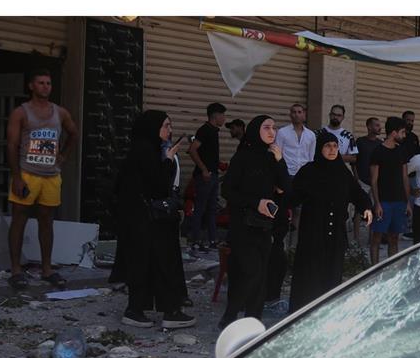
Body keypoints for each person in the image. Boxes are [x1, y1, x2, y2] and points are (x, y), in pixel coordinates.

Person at [114, 110, 193, 329]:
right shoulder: (146, 152)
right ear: (153, 128)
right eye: (166, 126)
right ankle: (165, 311)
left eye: (170, 125)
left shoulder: (143, 149)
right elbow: (158, 186)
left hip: (144, 221)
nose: (170, 130)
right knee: (161, 264)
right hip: (148, 221)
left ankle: (140, 309)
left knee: (147, 265)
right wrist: (167, 162)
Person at [5, 67, 79, 291]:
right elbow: (11, 145)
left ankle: (47, 269)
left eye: (48, 83)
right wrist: (17, 176)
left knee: (47, 221)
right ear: (31, 86)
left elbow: (74, 133)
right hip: (27, 173)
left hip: (51, 175)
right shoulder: (21, 112)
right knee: (19, 219)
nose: (45, 87)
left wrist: (64, 156)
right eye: (41, 83)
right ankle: (16, 270)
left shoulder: (60, 112)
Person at [287, 131, 373, 313]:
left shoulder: (343, 172)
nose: (332, 150)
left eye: (335, 146)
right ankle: (303, 312)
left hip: (336, 234)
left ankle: (326, 312)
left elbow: (357, 193)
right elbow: (292, 197)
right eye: (328, 146)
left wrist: (366, 207)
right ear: (320, 148)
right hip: (313, 233)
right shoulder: (309, 171)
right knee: (310, 274)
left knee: (332, 273)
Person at [219, 115, 290, 329]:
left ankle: (253, 319)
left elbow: (286, 187)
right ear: (255, 130)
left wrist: (280, 161)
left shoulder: (271, 158)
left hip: (265, 226)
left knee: (261, 275)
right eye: (266, 127)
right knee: (249, 271)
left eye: (274, 128)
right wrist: (255, 202)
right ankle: (230, 316)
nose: (272, 131)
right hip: (242, 226)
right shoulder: (242, 158)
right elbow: (227, 191)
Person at [269, 103, 315, 307]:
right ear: (290, 115)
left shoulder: (311, 135)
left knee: (301, 214)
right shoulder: (283, 133)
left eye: (300, 112)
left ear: (304, 114)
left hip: (304, 177)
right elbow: (276, 153)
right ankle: (283, 252)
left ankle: (295, 251)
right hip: (286, 176)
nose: (297, 115)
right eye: (294, 112)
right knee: (284, 215)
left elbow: (312, 158)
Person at [184, 102, 226, 255]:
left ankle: (212, 240)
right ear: (216, 115)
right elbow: (192, 150)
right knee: (200, 209)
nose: (224, 118)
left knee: (211, 209)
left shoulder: (214, 131)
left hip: (213, 175)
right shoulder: (205, 130)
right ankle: (195, 240)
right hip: (205, 177)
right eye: (223, 115)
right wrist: (204, 170)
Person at [369, 116, 411, 263]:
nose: (404, 135)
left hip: (399, 201)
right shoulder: (378, 151)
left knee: (394, 238)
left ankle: (392, 270)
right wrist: (377, 203)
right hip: (384, 202)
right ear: (394, 133)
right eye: (402, 132)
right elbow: (373, 180)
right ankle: (373, 271)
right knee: (377, 237)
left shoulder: (402, 151)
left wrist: (407, 202)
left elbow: (405, 178)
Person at [355, 116, 383, 188]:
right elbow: (354, 161)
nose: (380, 128)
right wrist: (357, 179)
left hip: (377, 183)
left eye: (379, 125)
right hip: (362, 182)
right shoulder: (360, 141)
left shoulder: (381, 143)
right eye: (377, 125)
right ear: (369, 127)